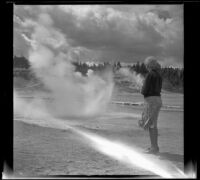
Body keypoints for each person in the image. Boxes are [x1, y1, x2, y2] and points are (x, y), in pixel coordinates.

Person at [139, 56, 162, 154]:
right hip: (157, 99)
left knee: (151, 125)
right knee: (153, 124)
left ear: (149, 65)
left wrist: (141, 89)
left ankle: (154, 148)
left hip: (151, 101)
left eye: (146, 65)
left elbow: (144, 90)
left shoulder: (150, 75)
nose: (146, 67)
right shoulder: (158, 75)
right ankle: (154, 147)